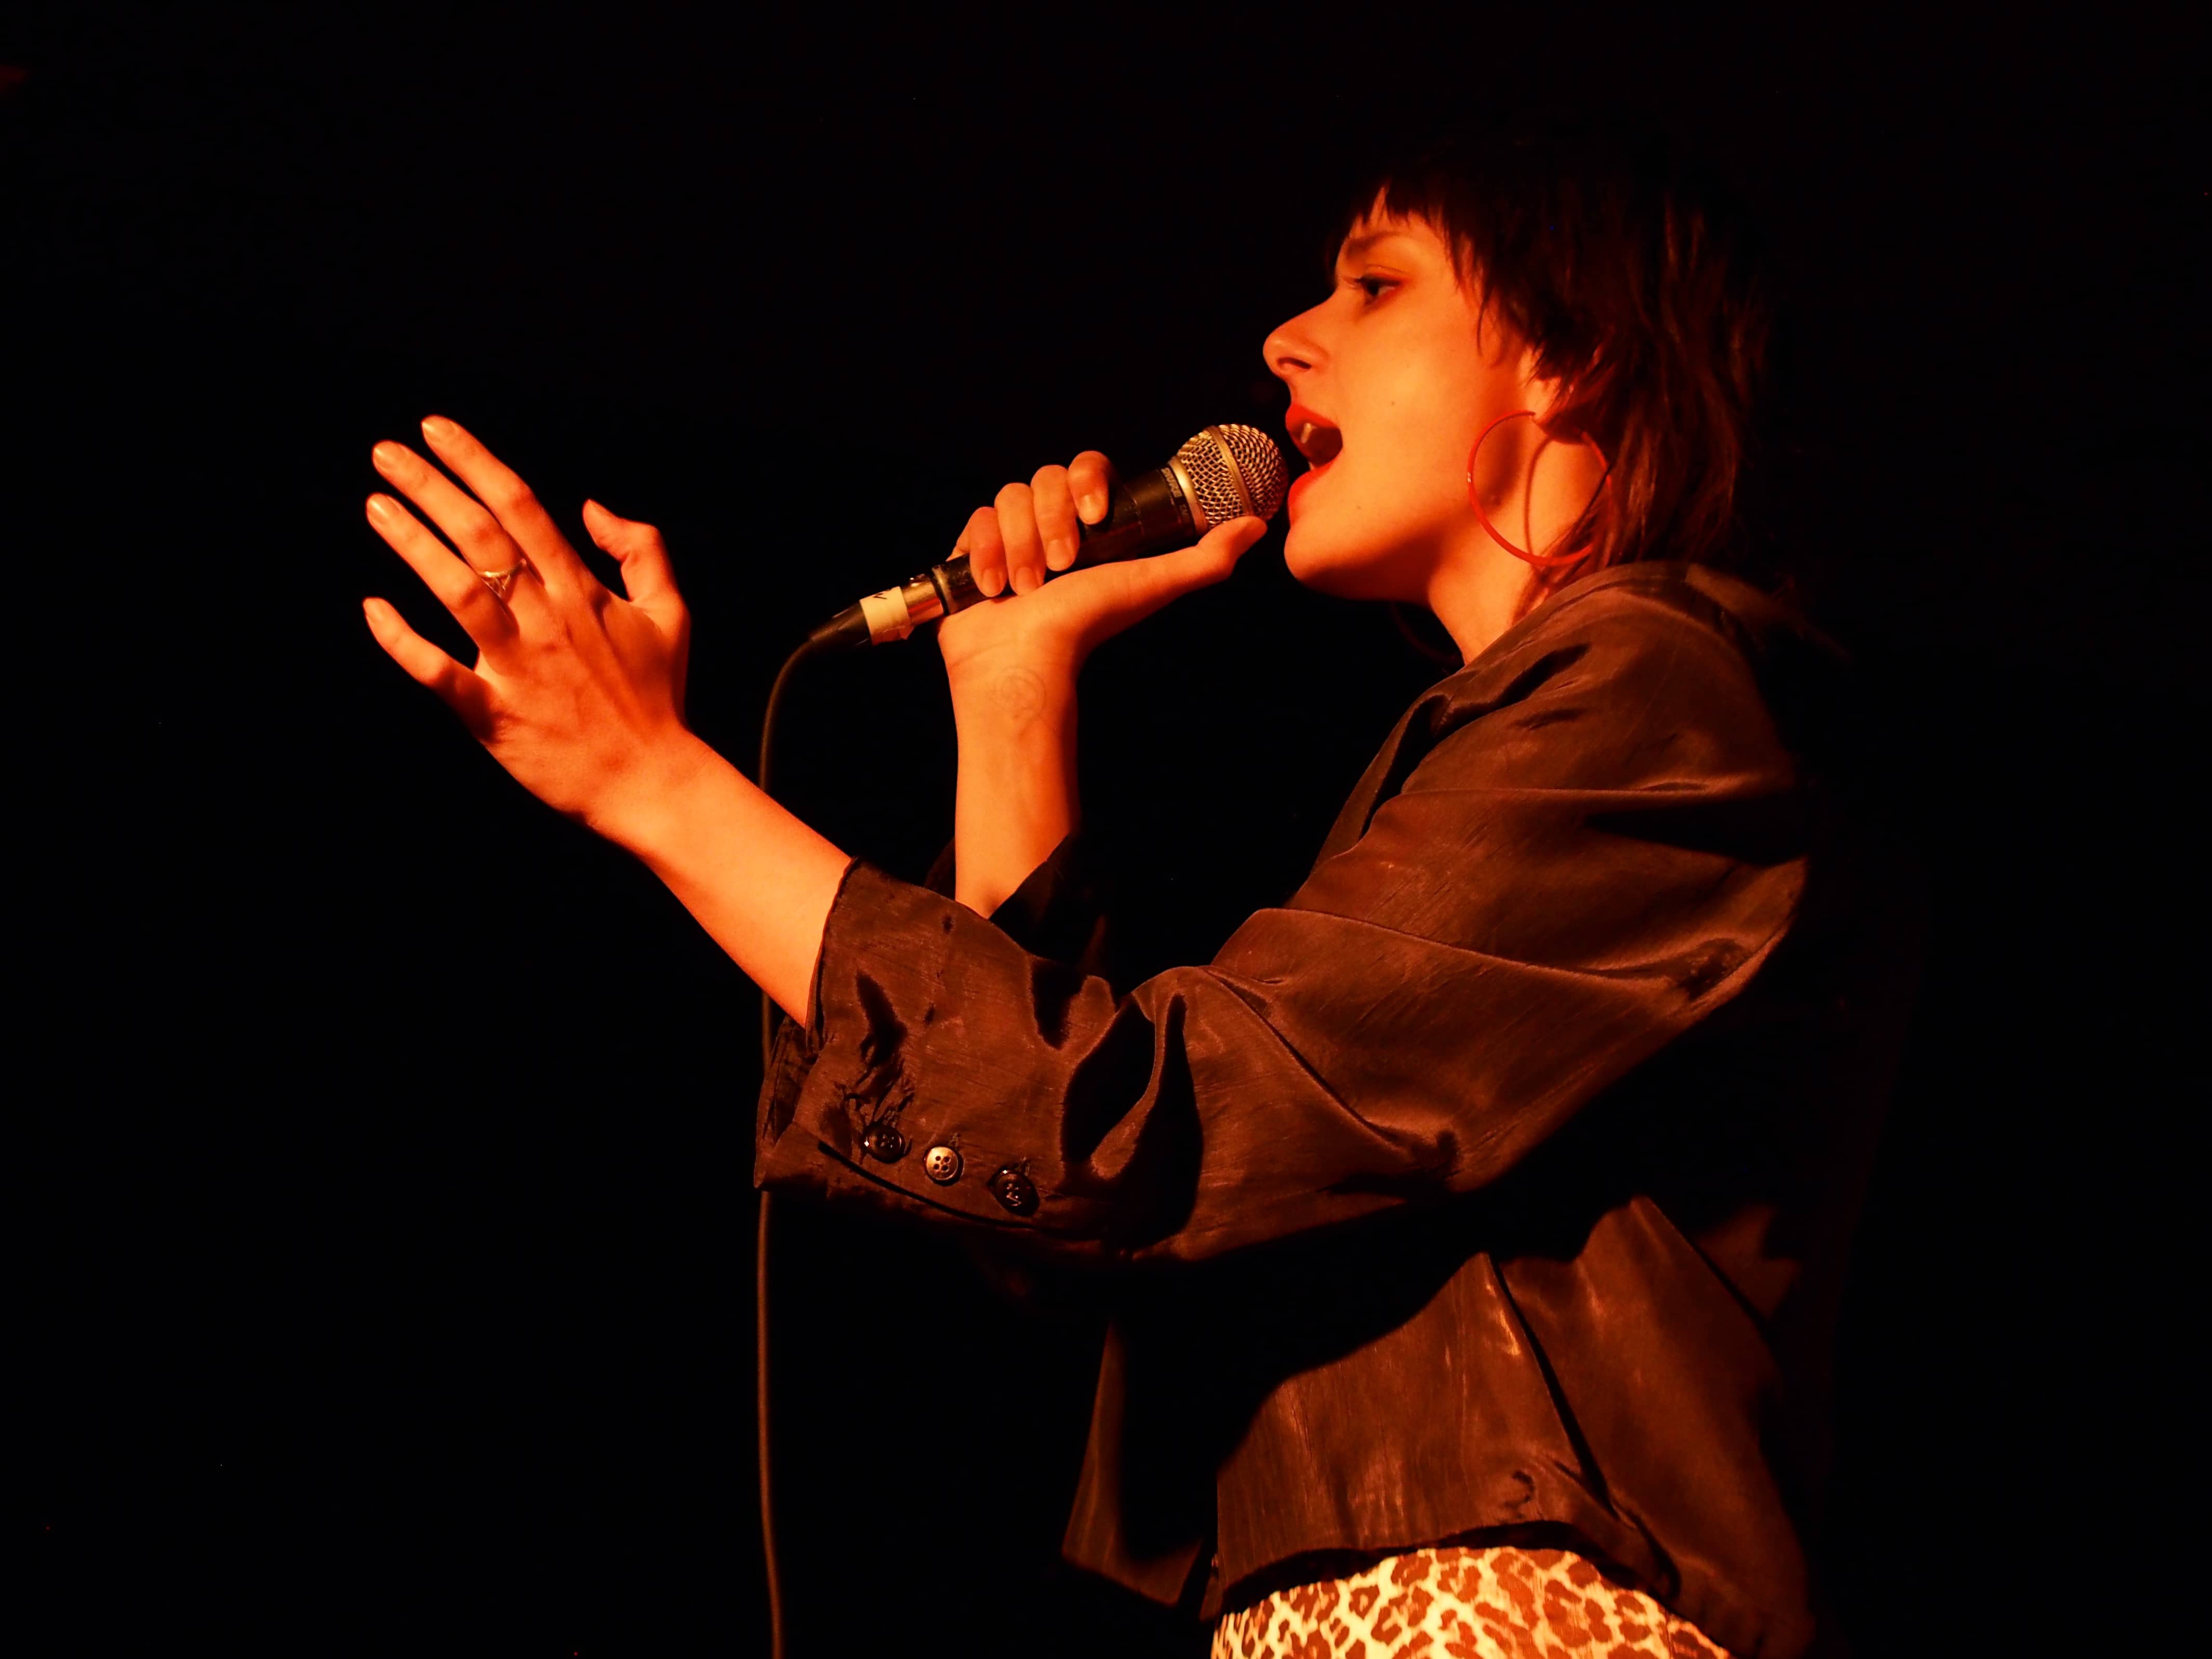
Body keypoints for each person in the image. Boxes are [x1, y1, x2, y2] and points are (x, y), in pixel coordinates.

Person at [361, 123, 1916, 1659]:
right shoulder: (1521, 741)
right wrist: (1010, 684)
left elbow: (1137, 1122)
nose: (1286, 339)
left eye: (1375, 286)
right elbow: (1063, 1201)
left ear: (1570, 360)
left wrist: (653, 780)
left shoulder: (1653, 694)